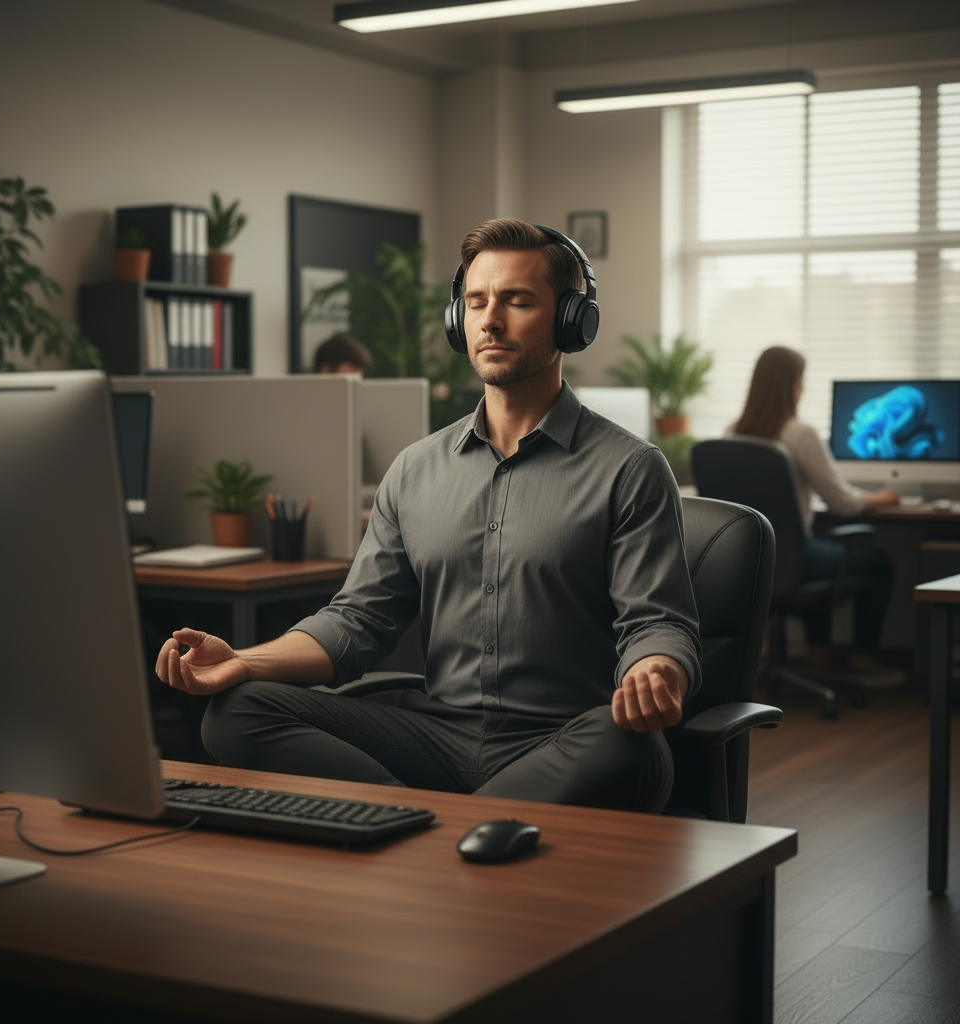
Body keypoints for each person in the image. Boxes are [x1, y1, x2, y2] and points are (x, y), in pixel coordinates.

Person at [156, 219, 702, 811]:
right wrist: (242, 660)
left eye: (517, 300)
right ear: (457, 320)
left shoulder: (630, 467)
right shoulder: (414, 470)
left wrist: (656, 670)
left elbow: (657, 622)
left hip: (562, 740)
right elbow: (358, 622)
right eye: (475, 302)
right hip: (436, 736)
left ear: (572, 320)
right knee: (237, 709)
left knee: (634, 749)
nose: (490, 319)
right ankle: (447, 829)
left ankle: (417, 829)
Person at [731, 345, 902, 685]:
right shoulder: (800, 434)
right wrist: (883, 497)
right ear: (792, 384)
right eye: (801, 379)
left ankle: (817, 655)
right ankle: (862, 657)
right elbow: (843, 503)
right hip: (794, 558)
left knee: (819, 548)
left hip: (747, 559)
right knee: (880, 563)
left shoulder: (732, 431)